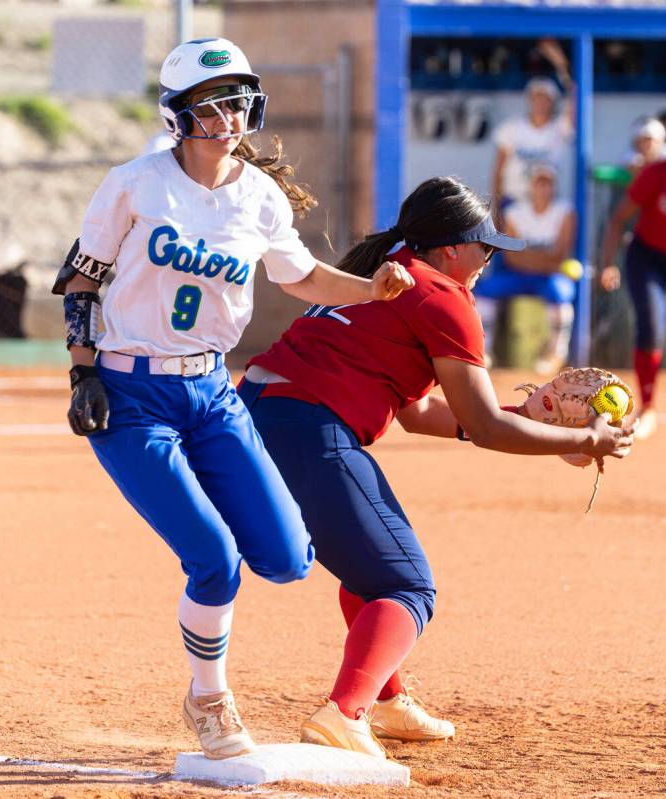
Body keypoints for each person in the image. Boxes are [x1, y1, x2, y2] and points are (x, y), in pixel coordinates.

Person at [51, 37, 413, 761]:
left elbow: (303, 276)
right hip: (132, 390)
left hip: (213, 389)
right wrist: (83, 370)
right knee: (213, 557)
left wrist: (371, 290)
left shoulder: (259, 193)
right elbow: (83, 278)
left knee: (285, 559)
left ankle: (225, 643)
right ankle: (208, 697)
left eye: (237, 96)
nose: (229, 112)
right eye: (212, 101)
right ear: (177, 115)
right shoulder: (134, 182)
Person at [238, 176, 635, 758]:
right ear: (451, 247)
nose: (489, 259)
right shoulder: (442, 296)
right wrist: (582, 440)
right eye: (484, 247)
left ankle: (387, 700)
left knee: (373, 571)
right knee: (407, 586)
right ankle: (344, 714)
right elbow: (489, 429)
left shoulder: (387, 272)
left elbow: (419, 411)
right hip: (306, 430)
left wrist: (535, 421)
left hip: (258, 421)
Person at [599, 117, 666, 440]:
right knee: (652, 325)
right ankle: (647, 408)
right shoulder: (658, 173)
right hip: (647, 256)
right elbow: (618, 219)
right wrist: (608, 263)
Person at [476, 163, 577, 374]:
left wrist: (529, 255)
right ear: (530, 186)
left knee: (561, 293)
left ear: (554, 186)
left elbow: (561, 254)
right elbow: (513, 258)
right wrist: (545, 260)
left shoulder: (565, 211)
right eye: (538, 183)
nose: (543, 188)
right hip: (519, 275)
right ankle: (483, 352)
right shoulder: (514, 212)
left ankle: (555, 354)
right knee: (484, 291)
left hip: (549, 278)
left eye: (547, 183)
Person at [491, 39, 574, 221]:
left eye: (545, 98)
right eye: (536, 97)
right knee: (508, 250)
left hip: (545, 205)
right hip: (512, 201)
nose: (540, 103)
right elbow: (498, 172)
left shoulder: (559, 129)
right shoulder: (511, 128)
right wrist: (496, 209)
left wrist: (562, 65)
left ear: (552, 103)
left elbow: (576, 97)